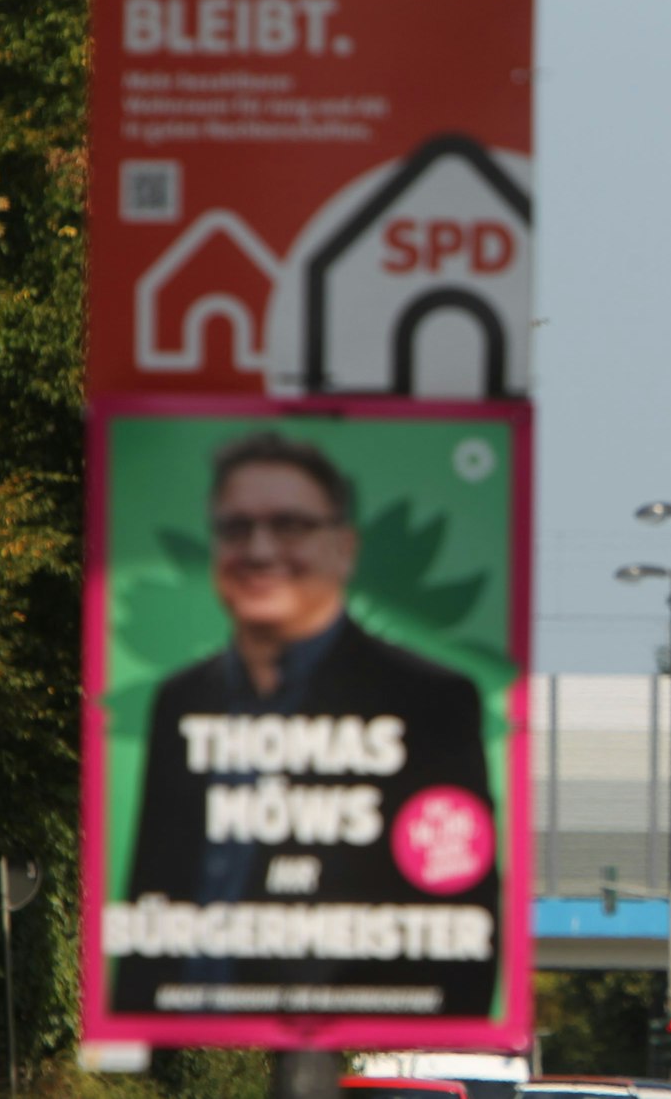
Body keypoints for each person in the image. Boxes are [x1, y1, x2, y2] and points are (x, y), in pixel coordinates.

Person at [114, 431, 500, 1016]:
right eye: (236, 528)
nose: (260, 551)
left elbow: (463, 921)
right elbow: (153, 902)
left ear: (344, 548)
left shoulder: (428, 700)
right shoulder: (180, 699)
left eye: (291, 525)